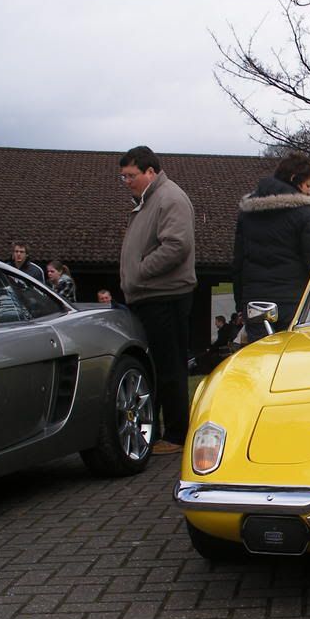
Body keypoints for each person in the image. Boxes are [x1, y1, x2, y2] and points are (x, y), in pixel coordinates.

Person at [118, 145, 197, 456]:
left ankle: (177, 434)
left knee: (169, 367)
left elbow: (176, 246)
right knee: (159, 366)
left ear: (151, 172)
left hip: (165, 297)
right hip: (152, 296)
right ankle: (164, 430)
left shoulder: (169, 198)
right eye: (122, 176)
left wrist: (138, 273)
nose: (127, 181)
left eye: (131, 175)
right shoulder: (148, 201)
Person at [233, 151, 310, 342]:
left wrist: (241, 304)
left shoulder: (247, 213)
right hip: (293, 301)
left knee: (261, 358)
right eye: (308, 185)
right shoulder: (303, 213)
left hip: (255, 302)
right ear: (295, 179)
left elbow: (239, 261)